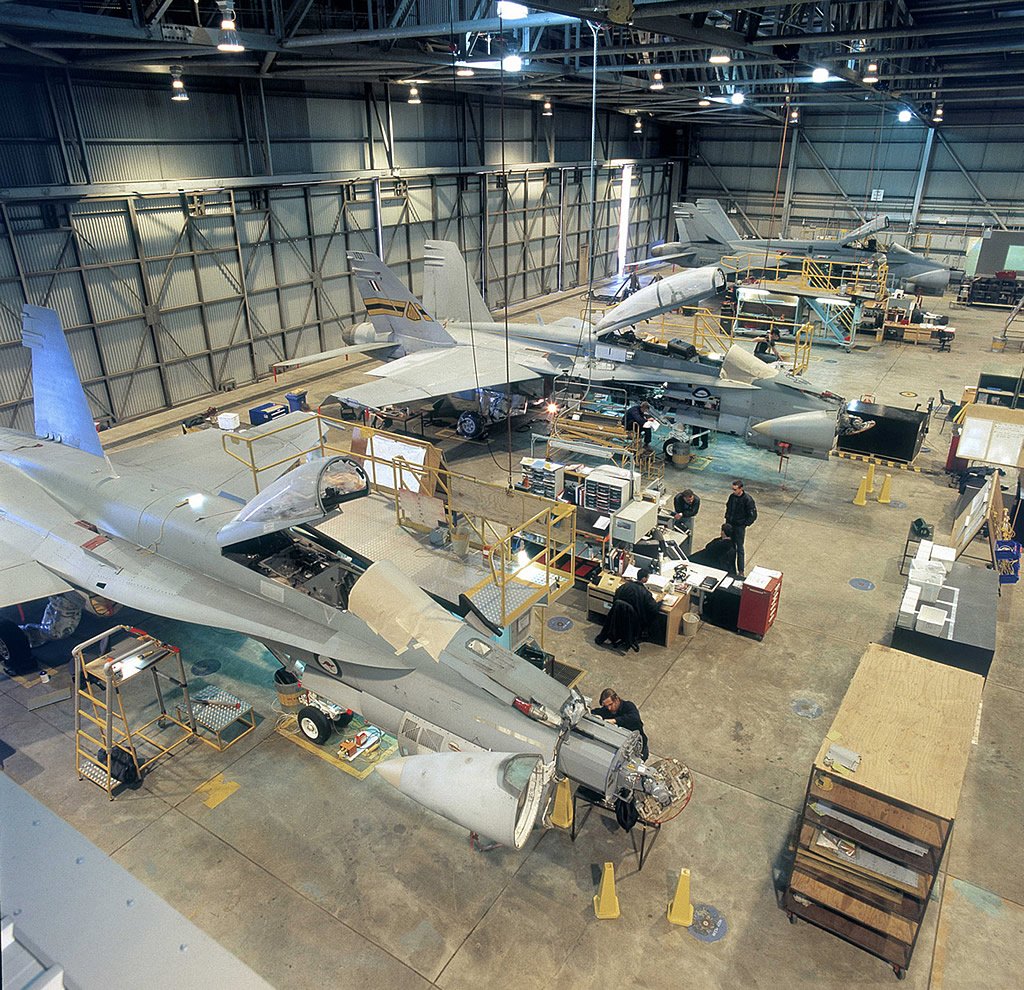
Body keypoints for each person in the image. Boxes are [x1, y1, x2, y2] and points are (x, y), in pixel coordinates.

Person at [595, 568, 659, 652]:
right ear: (644, 579)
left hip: (617, 616)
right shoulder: (645, 593)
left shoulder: (625, 586)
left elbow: (616, 598)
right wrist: (660, 603)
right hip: (632, 619)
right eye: (647, 577)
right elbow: (653, 608)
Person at [591, 689, 648, 760]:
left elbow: (634, 717)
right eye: (606, 706)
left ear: (617, 699)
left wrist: (615, 720)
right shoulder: (607, 710)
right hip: (622, 749)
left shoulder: (628, 706)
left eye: (611, 704)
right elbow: (595, 712)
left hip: (638, 748)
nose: (609, 708)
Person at [725, 479, 758, 578]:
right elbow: (728, 507)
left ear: (741, 489)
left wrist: (744, 524)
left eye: (735, 489)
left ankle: (741, 570)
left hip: (739, 527)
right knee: (729, 546)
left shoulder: (747, 500)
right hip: (730, 525)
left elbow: (753, 515)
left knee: (739, 548)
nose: (733, 491)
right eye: (732, 489)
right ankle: (729, 568)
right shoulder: (732, 497)